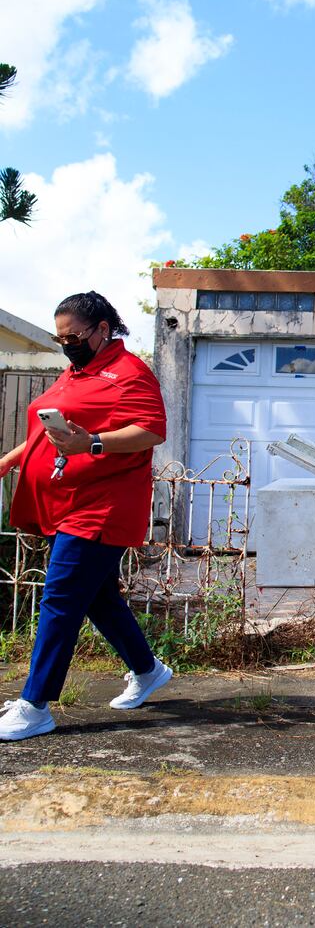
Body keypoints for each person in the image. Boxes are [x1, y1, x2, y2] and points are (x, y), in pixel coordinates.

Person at [0, 292, 173, 741]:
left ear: (102, 329)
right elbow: (48, 430)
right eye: (60, 337)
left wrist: (93, 443)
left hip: (102, 506)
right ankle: (147, 669)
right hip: (67, 503)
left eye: (73, 335)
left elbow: (151, 430)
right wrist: (11, 459)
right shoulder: (76, 372)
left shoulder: (130, 373)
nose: (66, 344)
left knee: (60, 598)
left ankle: (35, 705)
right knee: (96, 597)